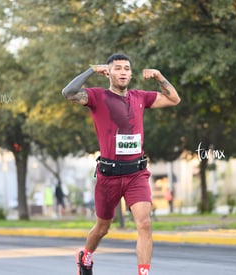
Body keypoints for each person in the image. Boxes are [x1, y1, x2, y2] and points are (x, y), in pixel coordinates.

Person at [62, 53, 180, 275]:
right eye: (117, 68)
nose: (123, 72)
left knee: (144, 224)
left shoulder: (140, 97)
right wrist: (90, 70)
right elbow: (68, 93)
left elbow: (174, 99)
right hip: (109, 176)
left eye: (127, 68)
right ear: (108, 72)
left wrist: (159, 76)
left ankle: (143, 273)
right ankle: (85, 256)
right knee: (103, 227)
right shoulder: (97, 96)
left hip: (137, 174)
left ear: (131, 73)